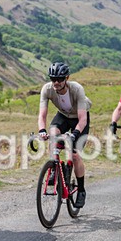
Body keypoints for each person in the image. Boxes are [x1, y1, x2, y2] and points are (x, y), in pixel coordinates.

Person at [37, 62, 92, 208]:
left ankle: (81, 190)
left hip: (79, 118)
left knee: (74, 154)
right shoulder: (47, 89)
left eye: (60, 79)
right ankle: (54, 167)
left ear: (66, 78)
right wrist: (42, 130)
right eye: (53, 78)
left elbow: (82, 119)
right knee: (53, 134)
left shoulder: (77, 89)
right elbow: (42, 115)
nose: (56, 82)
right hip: (63, 115)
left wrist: (75, 134)